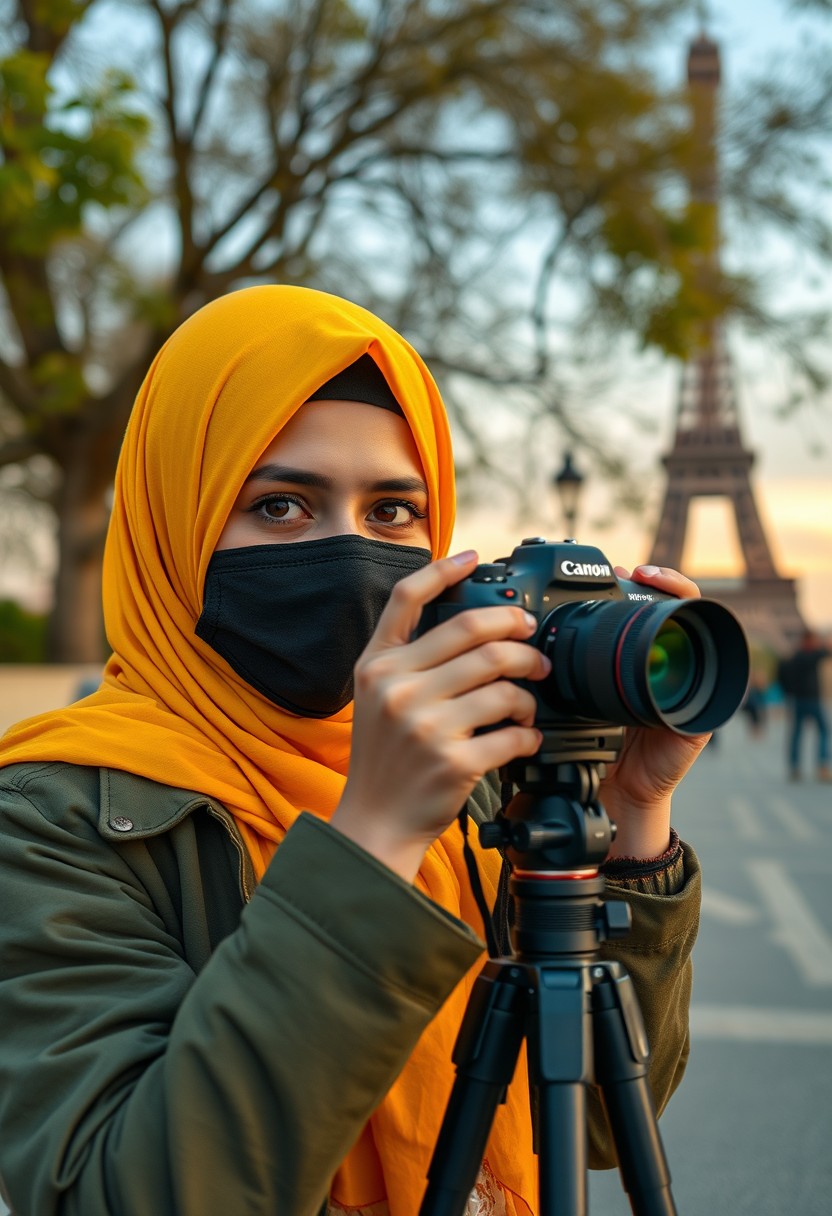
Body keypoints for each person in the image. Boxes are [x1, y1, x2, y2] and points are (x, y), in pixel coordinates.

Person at [0, 286, 703, 1216]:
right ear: (174, 524)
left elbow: (598, 1122)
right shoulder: (51, 819)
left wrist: (634, 819)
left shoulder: (475, 778)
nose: (347, 555)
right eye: (281, 505)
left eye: (391, 513)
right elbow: (131, 1192)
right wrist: (373, 834)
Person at [778, 628, 831, 782]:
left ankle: (794, 767)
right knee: (823, 731)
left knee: (796, 734)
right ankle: (822, 766)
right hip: (812, 699)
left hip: (797, 700)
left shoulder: (794, 657)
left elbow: (782, 674)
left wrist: (788, 692)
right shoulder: (812, 655)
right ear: (809, 641)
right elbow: (826, 652)